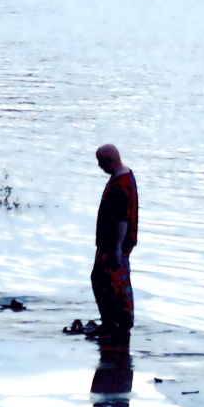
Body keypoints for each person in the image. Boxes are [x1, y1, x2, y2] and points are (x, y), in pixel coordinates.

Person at [90, 144, 138, 346]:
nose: (99, 166)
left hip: (113, 245)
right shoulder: (123, 178)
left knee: (110, 283)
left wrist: (117, 248)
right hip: (109, 244)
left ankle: (117, 326)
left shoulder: (121, 185)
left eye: (101, 162)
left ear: (110, 160)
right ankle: (112, 323)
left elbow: (121, 220)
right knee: (106, 281)